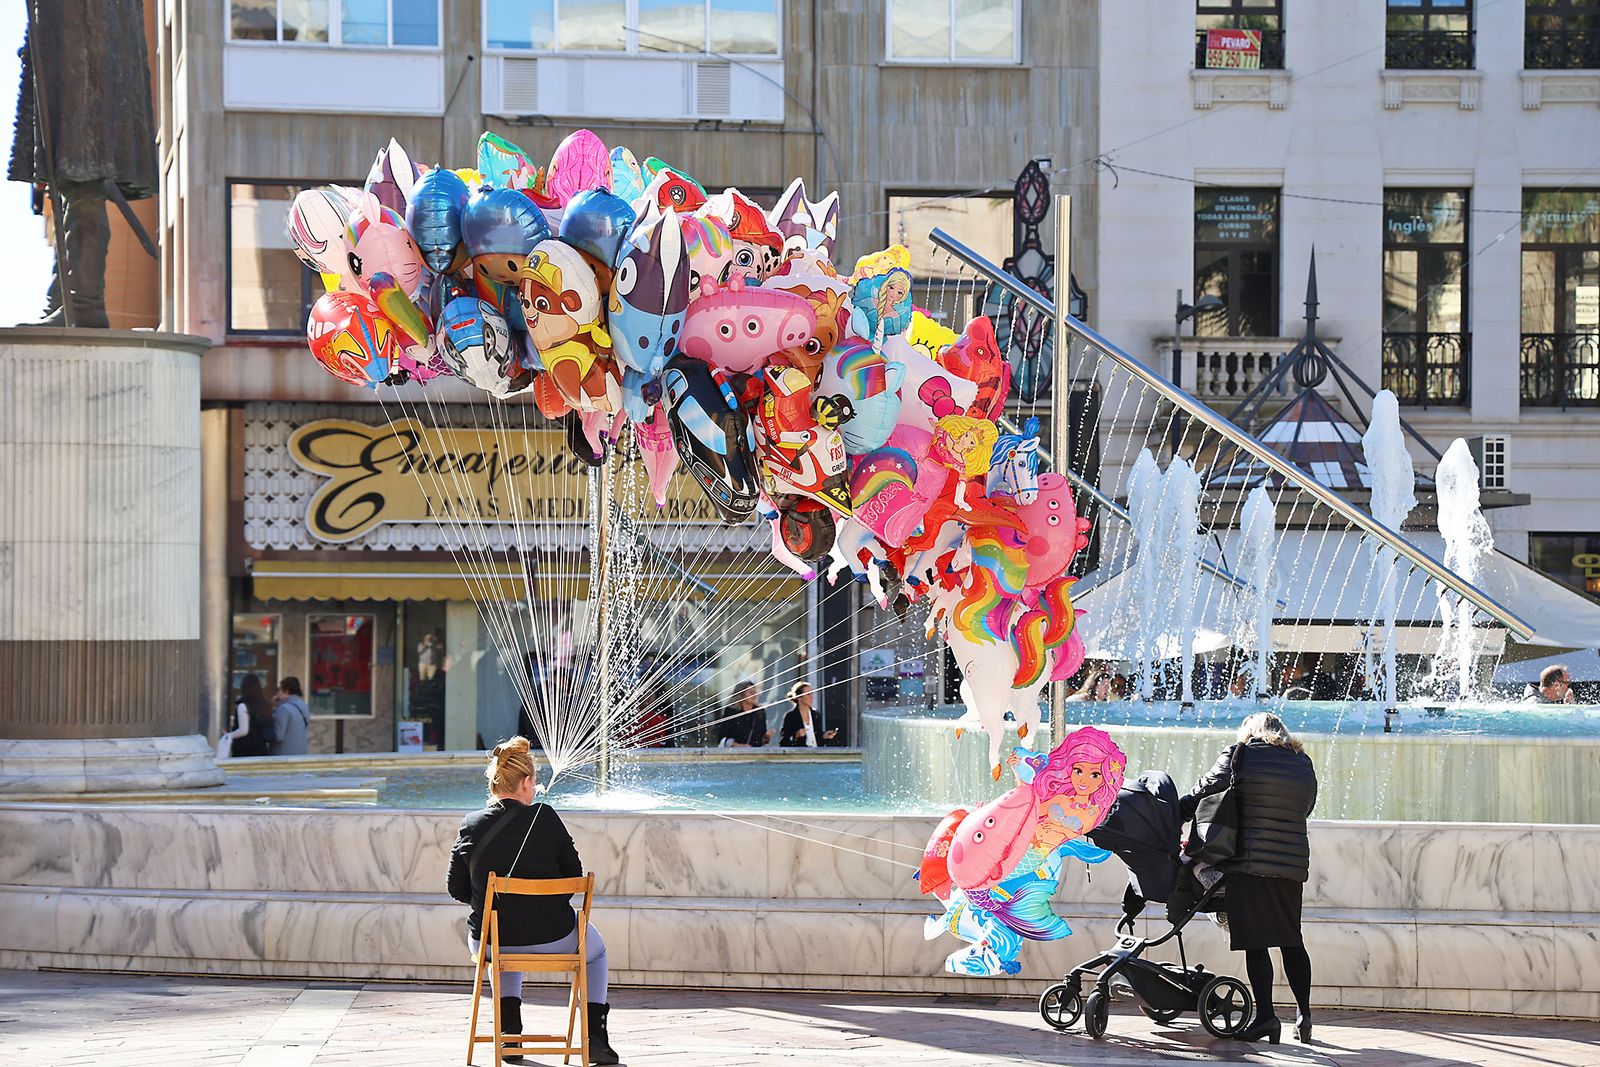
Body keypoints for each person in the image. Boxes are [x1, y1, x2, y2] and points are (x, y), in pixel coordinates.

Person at [447, 738, 619, 1065]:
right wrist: (540, 906)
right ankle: (595, 1038)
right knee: (596, 953)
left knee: (503, 940)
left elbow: (456, 888)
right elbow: (574, 876)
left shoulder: (470, 823)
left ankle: (509, 1034)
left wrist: (495, 902)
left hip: (490, 941)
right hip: (553, 936)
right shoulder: (546, 817)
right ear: (525, 782)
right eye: (534, 782)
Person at [11, 0, 157, 328]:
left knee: (84, 182)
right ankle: (66, 299)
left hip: (89, 45)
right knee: (71, 184)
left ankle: (83, 303)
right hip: (73, 40)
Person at [1182, 712, 1318, 1045]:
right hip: (1290, 866)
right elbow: (1307, 807)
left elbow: (1204, 790)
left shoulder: (1240, 754)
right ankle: (1304, 1016)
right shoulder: (1303, 763)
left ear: (1249, 731)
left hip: (1248, 862)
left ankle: (1267, 1018)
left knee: (1256, 943)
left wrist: (1173, 811)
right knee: (1291, 940)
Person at [221, 674, 273, 758]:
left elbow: (243, 730)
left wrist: (228, 735)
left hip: (244, 751)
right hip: (262, 750)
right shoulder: (265, 705)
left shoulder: (243, 705)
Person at [779, 682, 841, 747]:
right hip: (800, 752)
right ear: (799, 697)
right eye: (808, 694)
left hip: (816, 752)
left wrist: (824, 736)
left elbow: (817, 738)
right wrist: (796, 735)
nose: (811, 697)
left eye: (812, 694)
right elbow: (784, 742)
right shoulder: (790, 716)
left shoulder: (816, 715)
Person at [715, 679, 769, 747]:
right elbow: (722, 739)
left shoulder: (760, 712)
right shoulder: (731, 712)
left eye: (755, 692)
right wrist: (739, 746)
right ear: (742, 695)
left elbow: (761, 740)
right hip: (736, 752)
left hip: (755, 752)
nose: (754, 695)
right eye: (751, 692)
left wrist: (767, 737)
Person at [270, 677, 311, 756]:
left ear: (286, 691)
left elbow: (278, 736)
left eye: (279, 689)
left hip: (284, 754)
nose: (277, 693)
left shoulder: (283, 709)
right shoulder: (304, 706)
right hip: (300, 752)